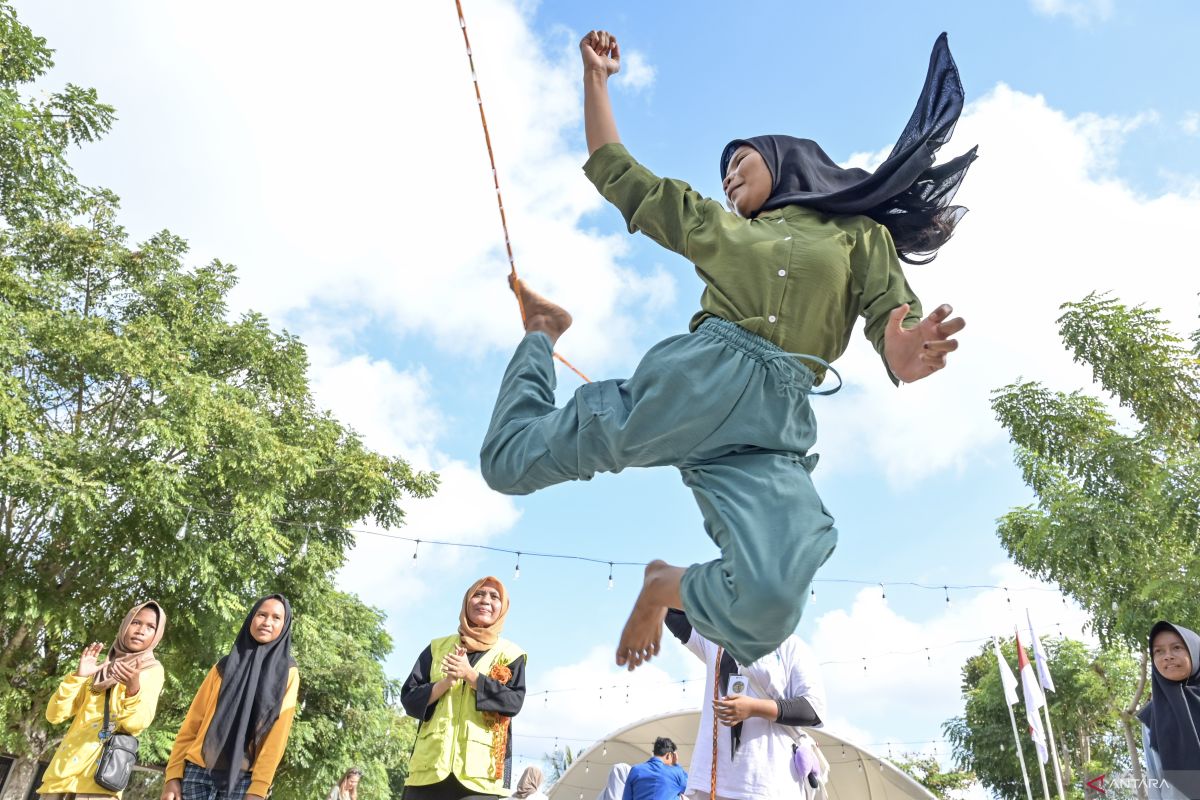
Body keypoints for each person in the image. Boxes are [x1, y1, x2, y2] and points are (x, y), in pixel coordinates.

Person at [480, 28, 976, 672]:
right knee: (506, 466)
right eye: (722, 170)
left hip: (768, 433)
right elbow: (620, 174)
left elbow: (892, 316)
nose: (728, 173)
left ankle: (664, 585)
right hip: (689, 391)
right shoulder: (715, 227)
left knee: (770, 599)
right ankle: (542, 331)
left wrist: (904, 353)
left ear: (787, 158)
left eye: (741, 158)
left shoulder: (858, 237)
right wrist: (596, 80)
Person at [666, 610, 826, 799]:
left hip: (770, 784)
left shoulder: (791, 646)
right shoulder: (714, 639)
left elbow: (812, 708)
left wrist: (754, 708)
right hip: (713, 784)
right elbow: (671, 610)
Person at [161, 595, 299, 800]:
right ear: (251, 618)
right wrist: (172, 775)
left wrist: (259, 789)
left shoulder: (287, 673)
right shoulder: (223, 666)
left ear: (284, 625)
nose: (267, 622)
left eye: (276, 618)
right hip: (197, 773)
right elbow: (192, 723)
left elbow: (276, 738)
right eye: (261, 614)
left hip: (244, 781)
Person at [401, 577, 527, 800]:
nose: (485, 600)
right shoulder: (436, 647)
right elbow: (409, 698)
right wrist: (444, 684)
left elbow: (513, 702)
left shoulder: (510, 654)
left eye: (494, 596)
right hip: (428, 773)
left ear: (503, 607)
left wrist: (471, 676)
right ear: (466, 601)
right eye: (478, 594)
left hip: (479, 780)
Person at [37, 601, 167, 800]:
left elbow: (136, 724)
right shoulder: (100, 668)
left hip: (98, 781)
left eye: (151, 627)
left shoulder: (151, 670)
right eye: (136, 622)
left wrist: (133, 688)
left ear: (157, 635)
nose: (141, 630)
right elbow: (54, 715)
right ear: (125, 625)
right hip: (61, 777)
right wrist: (78, 677)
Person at [1138, 621, 1200, 800]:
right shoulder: (1153, 714)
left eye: (1177, 647)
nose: (1168, 656)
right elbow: (1154, 775)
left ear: (1194, 651)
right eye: (1159, 651)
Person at [622, 738, 687, 800]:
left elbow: (626, 798)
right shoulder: (676, 773)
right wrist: (676, 764)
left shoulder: (635, 770)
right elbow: (690, 789)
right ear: (669, 755)